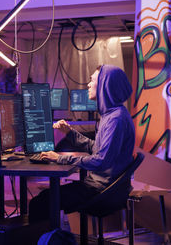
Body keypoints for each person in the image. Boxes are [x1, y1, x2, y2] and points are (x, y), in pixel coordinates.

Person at [29, 65, 135, 223]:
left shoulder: (115, 119)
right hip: (104, 185)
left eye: (92, 80)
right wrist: (69, 133)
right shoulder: (112, 114)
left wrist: (60, 158)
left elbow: (101, 161)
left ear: (104, 85)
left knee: (41, 202)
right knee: (46, 197)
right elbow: (97, 149)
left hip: (102, 190)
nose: (88, 84)